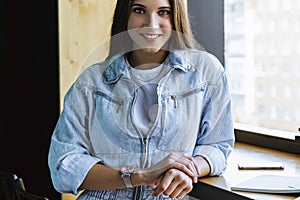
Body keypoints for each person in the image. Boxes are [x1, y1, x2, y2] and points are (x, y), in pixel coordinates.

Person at [48, 0, 235, 199]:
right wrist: (139, 176)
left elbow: (218, 145)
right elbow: (64, 165)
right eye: (139, 10)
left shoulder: (207, 71)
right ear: (125, 16)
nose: (151, 24)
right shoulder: (91, 82)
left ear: (176, 17)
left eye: (164, 12)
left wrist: (189, 169)